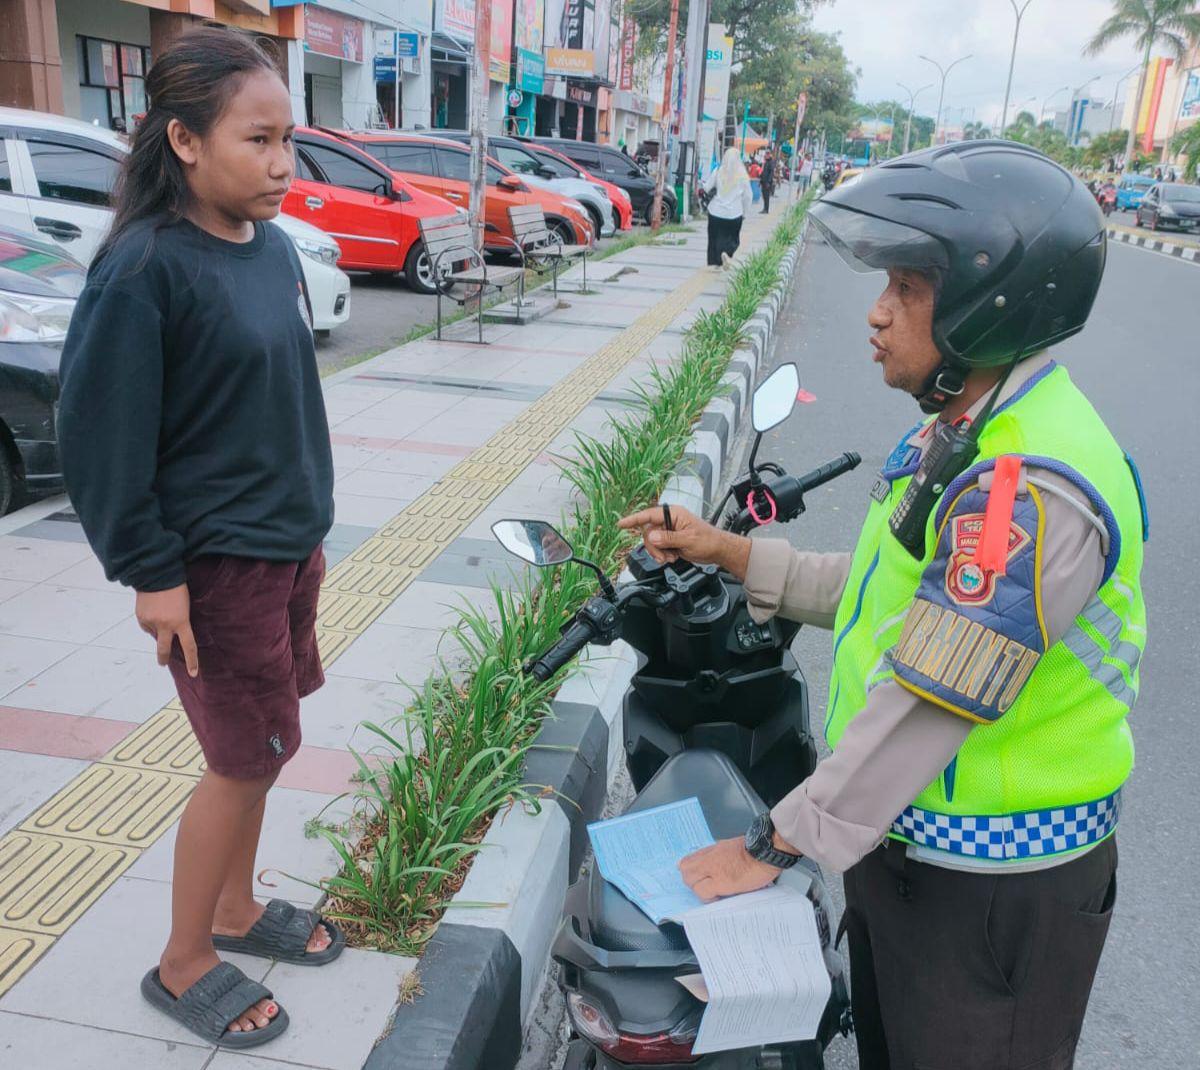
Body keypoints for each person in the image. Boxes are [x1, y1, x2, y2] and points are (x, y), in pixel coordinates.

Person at [620, 141, 1146, 1070]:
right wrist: (727, 550)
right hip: (913, 850)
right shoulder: (962, 434)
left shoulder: (1023, 488)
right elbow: (881, 597)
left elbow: (934, 692)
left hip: (992, 890)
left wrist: (777, 844)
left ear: (993, 305)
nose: (876, 313)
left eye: (907, 288)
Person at [57, 28, 341, 1049]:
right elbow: (97, 432)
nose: (282, 165)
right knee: (241, 752)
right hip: (214, 567)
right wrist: (152, 572)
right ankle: (185, 958)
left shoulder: (266, 248)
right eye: (258, 140)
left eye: (288, 140)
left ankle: (235, 906)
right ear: (183, 138)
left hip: (285, 546)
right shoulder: (143, 268)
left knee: (268, 742)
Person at [702, 148, 754, 270]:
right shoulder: (743, 176)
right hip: (734, 213)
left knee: (715, 238)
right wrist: (745, 213)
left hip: (715, 211)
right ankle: (727, 253)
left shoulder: (718, 171)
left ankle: (717, 263)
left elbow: (707, 187)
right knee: (733, 238)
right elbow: (748, 196)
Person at [760, 149, 776, 214]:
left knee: (766, 196)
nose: (766, 155)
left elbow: (771, 173)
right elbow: (763, 172)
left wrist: (768, 182)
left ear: (770, 155)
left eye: (768, 154)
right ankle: (764, 208)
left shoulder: (771, 162)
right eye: (766, 154)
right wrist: (761, 181)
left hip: (767, 182)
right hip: (764, 181)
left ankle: (766, 209)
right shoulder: (766, 162)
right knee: (764, 196)